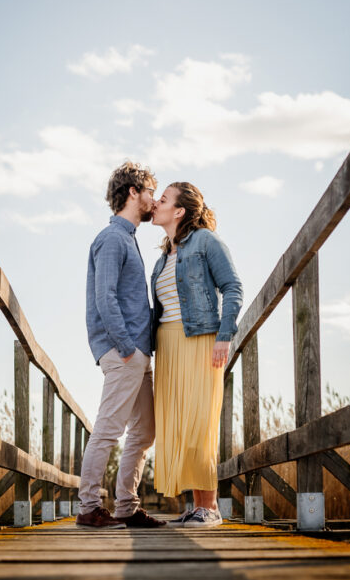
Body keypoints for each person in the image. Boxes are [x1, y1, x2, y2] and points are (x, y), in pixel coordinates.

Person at [76, 161, 166, 529]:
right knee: (109, 429)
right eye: (149, 192)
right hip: (123, 351)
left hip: (137, 353)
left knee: (145, 432)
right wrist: (127, 347)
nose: (154, 199)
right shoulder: (112, 238)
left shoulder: (127, 238)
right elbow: (104, 298)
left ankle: (126, 506)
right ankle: (89, 507)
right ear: (133, 192)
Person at [150, 182, 243, 528]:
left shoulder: (206, 241)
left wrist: (224, 336)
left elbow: (233, 286)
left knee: (199, 423)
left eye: (164, 199)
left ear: (179, 211)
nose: (156, 203)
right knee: (177, 424)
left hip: (201, 339)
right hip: (168, 345)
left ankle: (211, 508)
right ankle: (193, 506)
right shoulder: (163, 256)